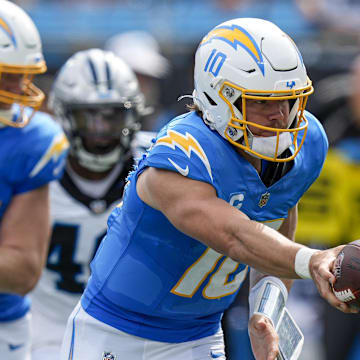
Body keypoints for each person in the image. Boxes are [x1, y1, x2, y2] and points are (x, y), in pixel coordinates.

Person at [60, 18, 356, 360]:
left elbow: (278, 210)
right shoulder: (184, 152)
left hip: (200, 335)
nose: (279, 116)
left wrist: (267, 307)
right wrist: (312, 260)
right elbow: (234, 235)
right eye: (261, 102)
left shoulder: (305, 142)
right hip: (115, 332)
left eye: (287, 100)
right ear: (220, 98)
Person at [29, 48, 155, 360]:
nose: (99, 130)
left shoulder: (159, 163)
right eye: (89, 117)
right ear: (63, 115)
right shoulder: (33, 163)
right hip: (45, 326)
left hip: (132, 327)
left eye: (112, 117)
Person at [0, 1, 69, 359]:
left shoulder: (31, 140)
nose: (16, 89)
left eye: (21, 75)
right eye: (3, 76)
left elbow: (22, 269)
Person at [104, 30, 171, 131]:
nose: (141, 86)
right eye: (133, 77)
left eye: (146, 78)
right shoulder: (96, 128)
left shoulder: (167, 125)